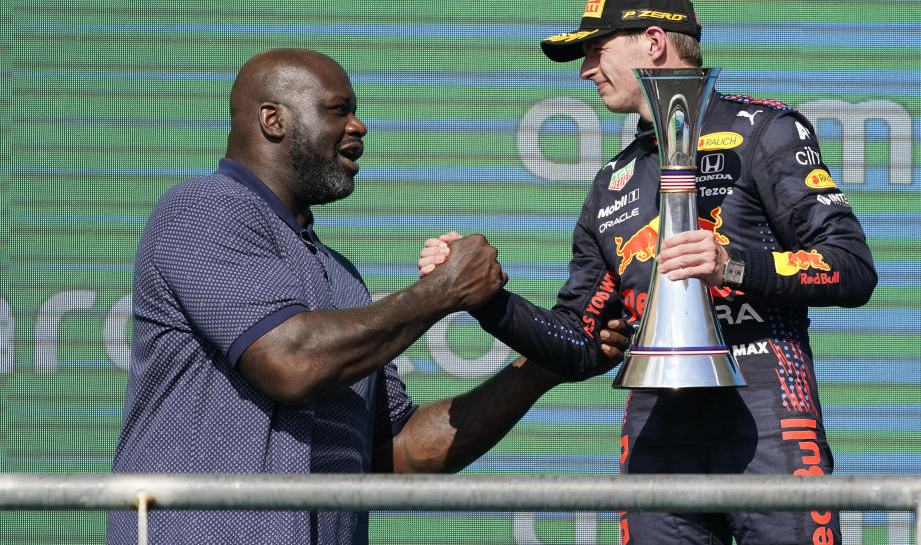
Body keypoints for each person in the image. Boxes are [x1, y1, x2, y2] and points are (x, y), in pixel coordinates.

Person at [420, 0, 878, 545]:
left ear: (653, 42)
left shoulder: (764, 130)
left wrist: (733, 264)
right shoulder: (611, 182)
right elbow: (582, 344)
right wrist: (487, 302)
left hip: (768, 420)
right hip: (656, 429)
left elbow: (851, 266)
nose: (585, 70)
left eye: (595, 49)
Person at [105, 47, 628, 545]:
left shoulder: (340, 275)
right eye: (339, 111)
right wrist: (441, 293)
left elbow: (397, 452)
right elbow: (290, 362)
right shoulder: (203, 210)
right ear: (273, 120)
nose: (358, 126)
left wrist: (543, 366)